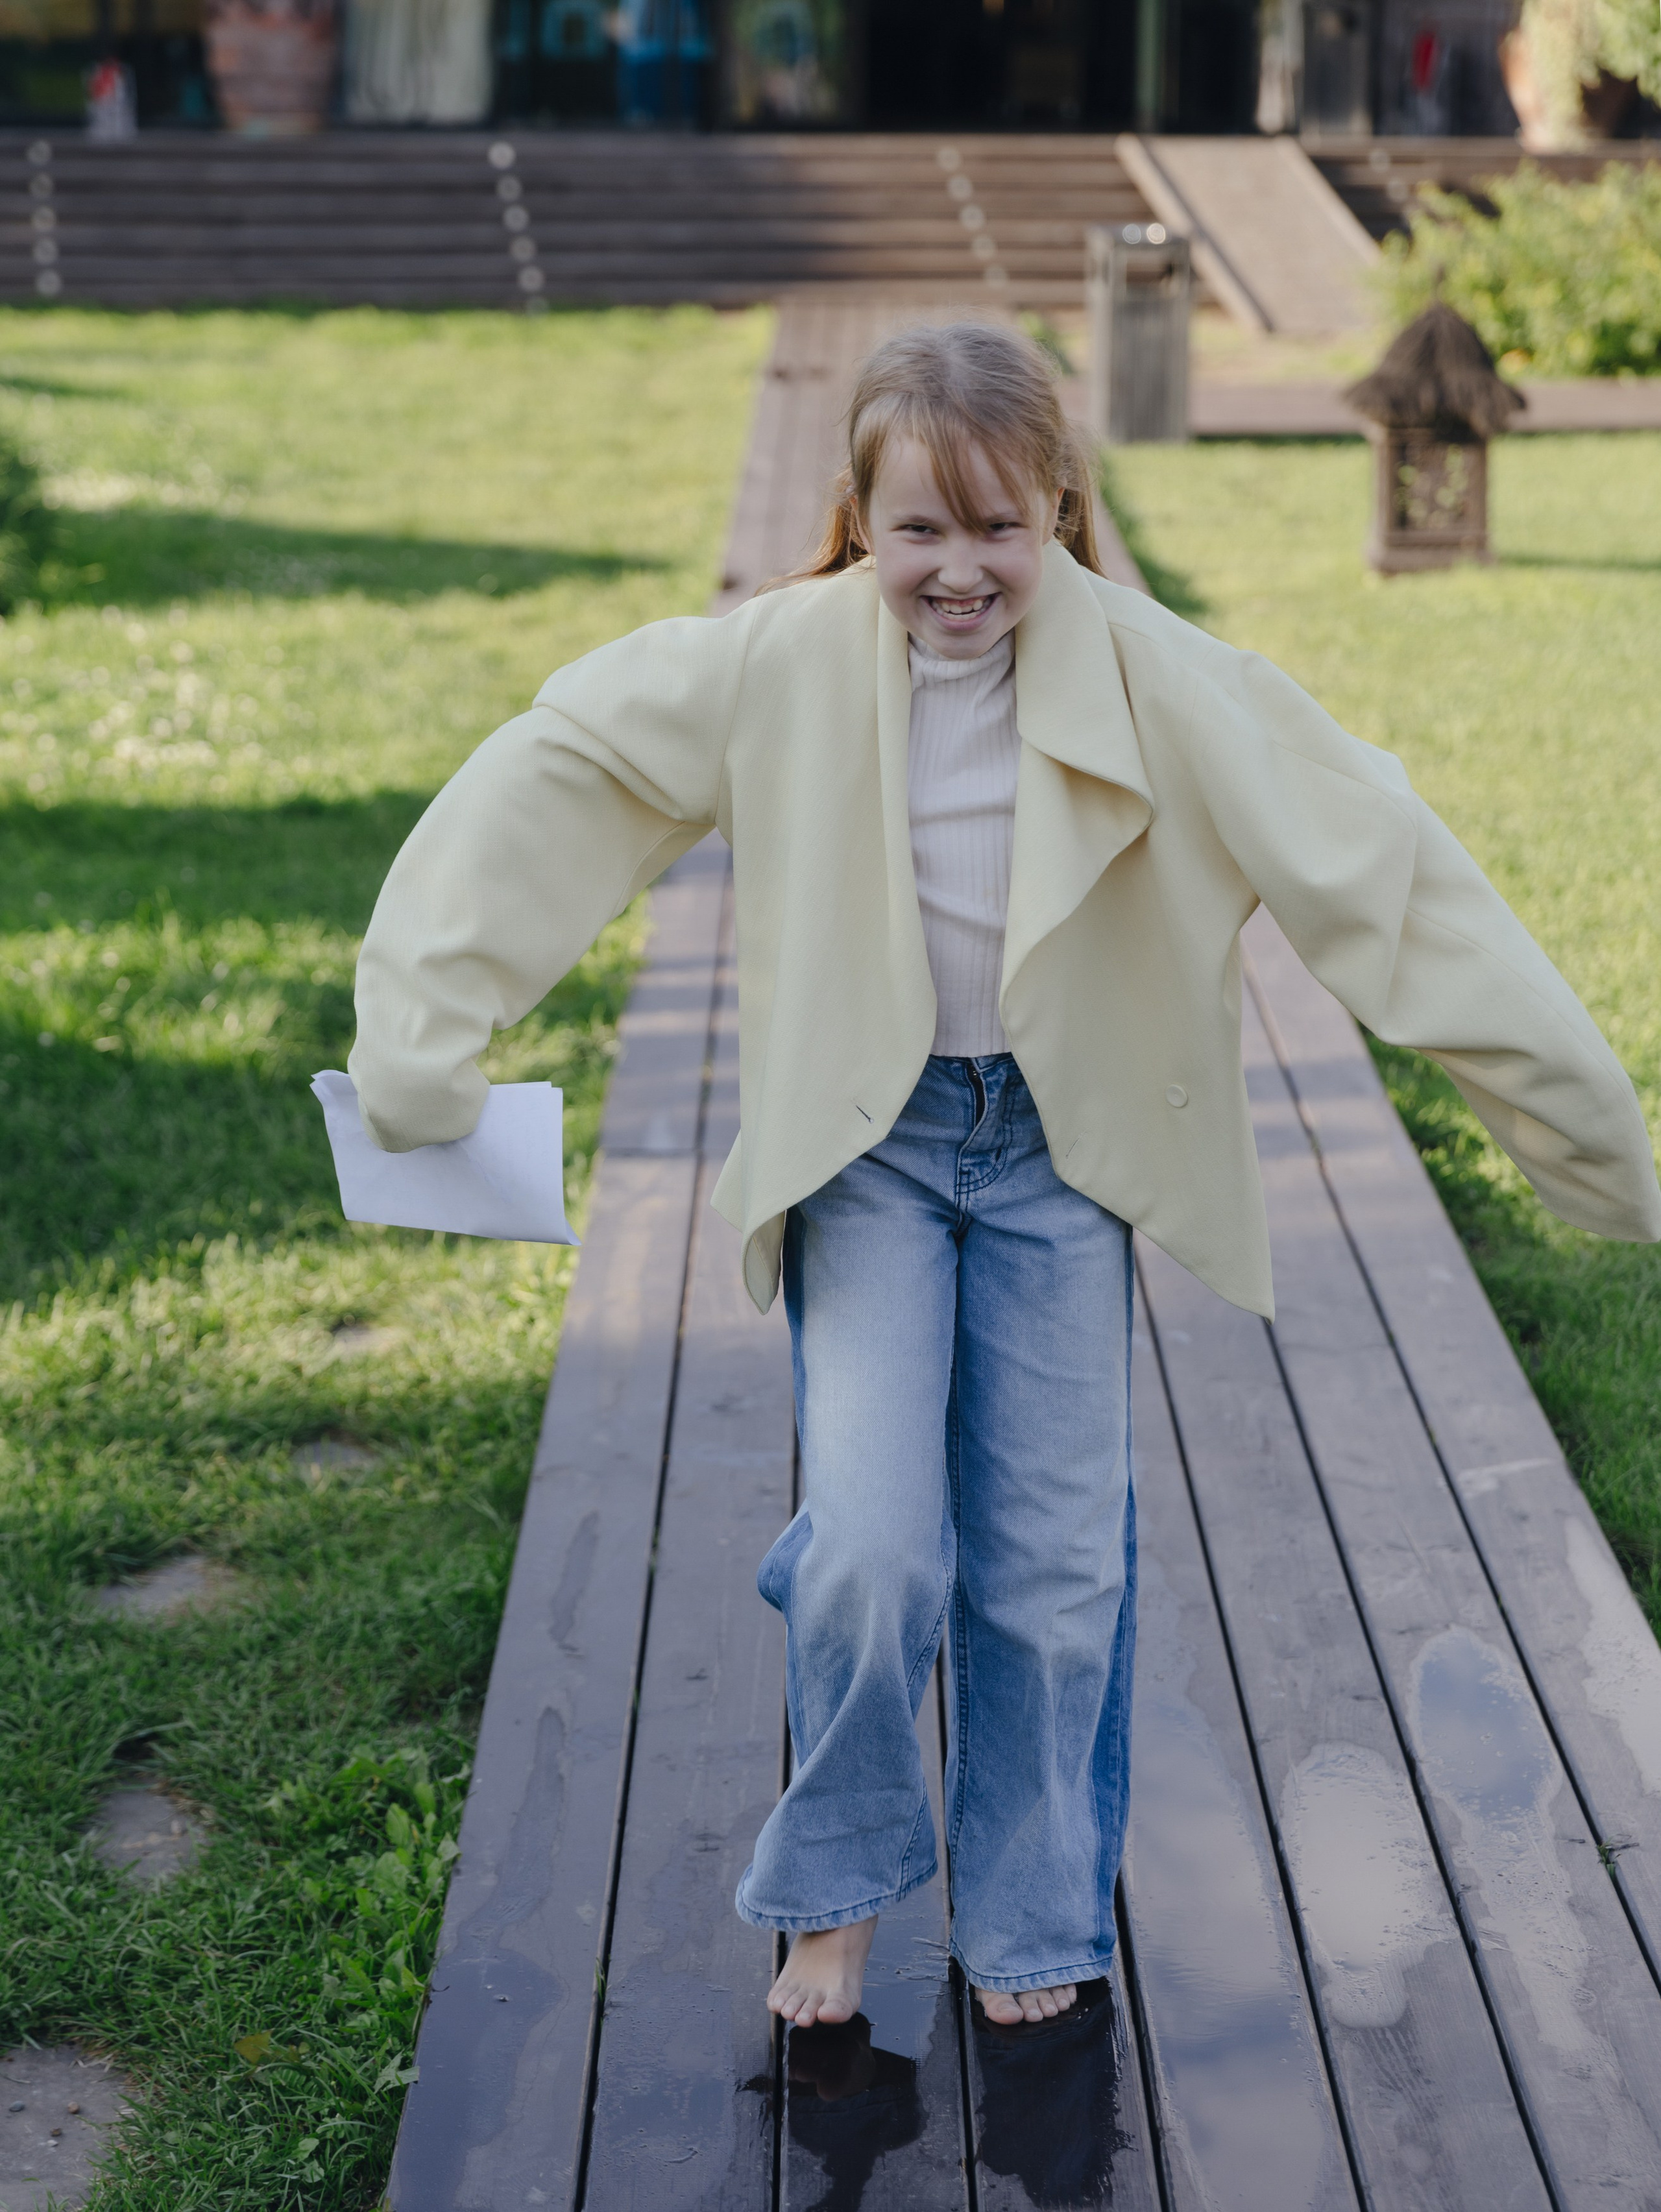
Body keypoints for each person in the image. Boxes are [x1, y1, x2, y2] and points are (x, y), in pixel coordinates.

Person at [348, 322, 1661, 2032]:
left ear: (1059, 505)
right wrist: (420, 1045)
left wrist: (1592, 1139)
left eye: (998, 530)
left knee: (1052, 1569)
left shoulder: (1163, 684)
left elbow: (1388, 876)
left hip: (1057, 1157)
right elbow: (558, 774)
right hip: (873, 1152)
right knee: (873, 1554)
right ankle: (831, 1890)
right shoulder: (779, 666)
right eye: (917, 532)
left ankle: (1035, 1910)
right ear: (858, 515)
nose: (958, 573)